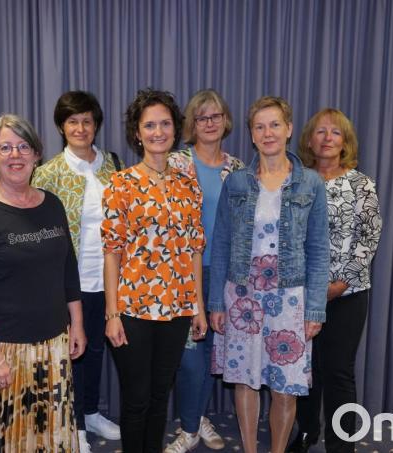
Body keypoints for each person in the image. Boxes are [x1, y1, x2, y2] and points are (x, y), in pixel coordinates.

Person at [0, 114, 87, 452]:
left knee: (46, 437)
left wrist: (77, 325)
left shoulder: (52, 204)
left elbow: (68, 270)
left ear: (37, 154)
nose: (15, 155)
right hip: (2, 350)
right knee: (2, 441)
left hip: (52, 347)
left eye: (24, 146)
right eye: (6, 148)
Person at [208, 96, 329, 453]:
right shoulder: (236, 182)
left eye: (275, 124)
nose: (268, 133)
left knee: (284, 386)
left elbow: (319, 249)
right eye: (259, 127)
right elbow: (221, 244)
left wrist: (315, 308)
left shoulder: (311, 183)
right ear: (252, 134)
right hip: (241, 296)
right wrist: (216, 302)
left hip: (289, 299)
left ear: (289, 129)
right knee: (245, 381)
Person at [101, 88, 207, 452]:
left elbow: (194, 250)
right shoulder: (121, 184)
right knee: (137, 399)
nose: (158, 132)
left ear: (175, 129)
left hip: (177, 310)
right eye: (149, 125)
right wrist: (112, 314)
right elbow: (112, 253)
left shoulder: (188, 186)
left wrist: (198, 307)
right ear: (137, 132)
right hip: (133, 309)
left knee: (161, 396)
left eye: (165, 124)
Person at [31, 90, 122, 452]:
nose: (80, 128)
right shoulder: (48, 173)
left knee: (97, 349)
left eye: (87, 120)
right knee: (74, 352)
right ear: (61, 127)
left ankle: (91, 411)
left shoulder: (113, 165)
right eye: (73, 121)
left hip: (110, 280)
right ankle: (75, 424)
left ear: (96, 124)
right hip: (69, 282)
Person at [288, 108, 382, 453]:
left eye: (336, 132)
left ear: (346, 142)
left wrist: (340, 284)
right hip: (300, 293)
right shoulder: (296, 181)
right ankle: (307, 431)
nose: (328, 138)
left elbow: (369, 239)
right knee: (304, 368)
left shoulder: (361, 185)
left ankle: (342, 445)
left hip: (347, 293)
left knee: (339, 371)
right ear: (309, 140)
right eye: (321, 131)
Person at [164, 89, 244, 453]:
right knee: (190, 358)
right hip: (182, 275)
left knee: (214, 354)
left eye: (216, 116)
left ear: (226, 121)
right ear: (191, 125)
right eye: (201, 117)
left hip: (226, 274)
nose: (209, 123)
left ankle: (195, 422)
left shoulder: (238, 169)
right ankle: (190, 426)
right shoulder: (175, 163)